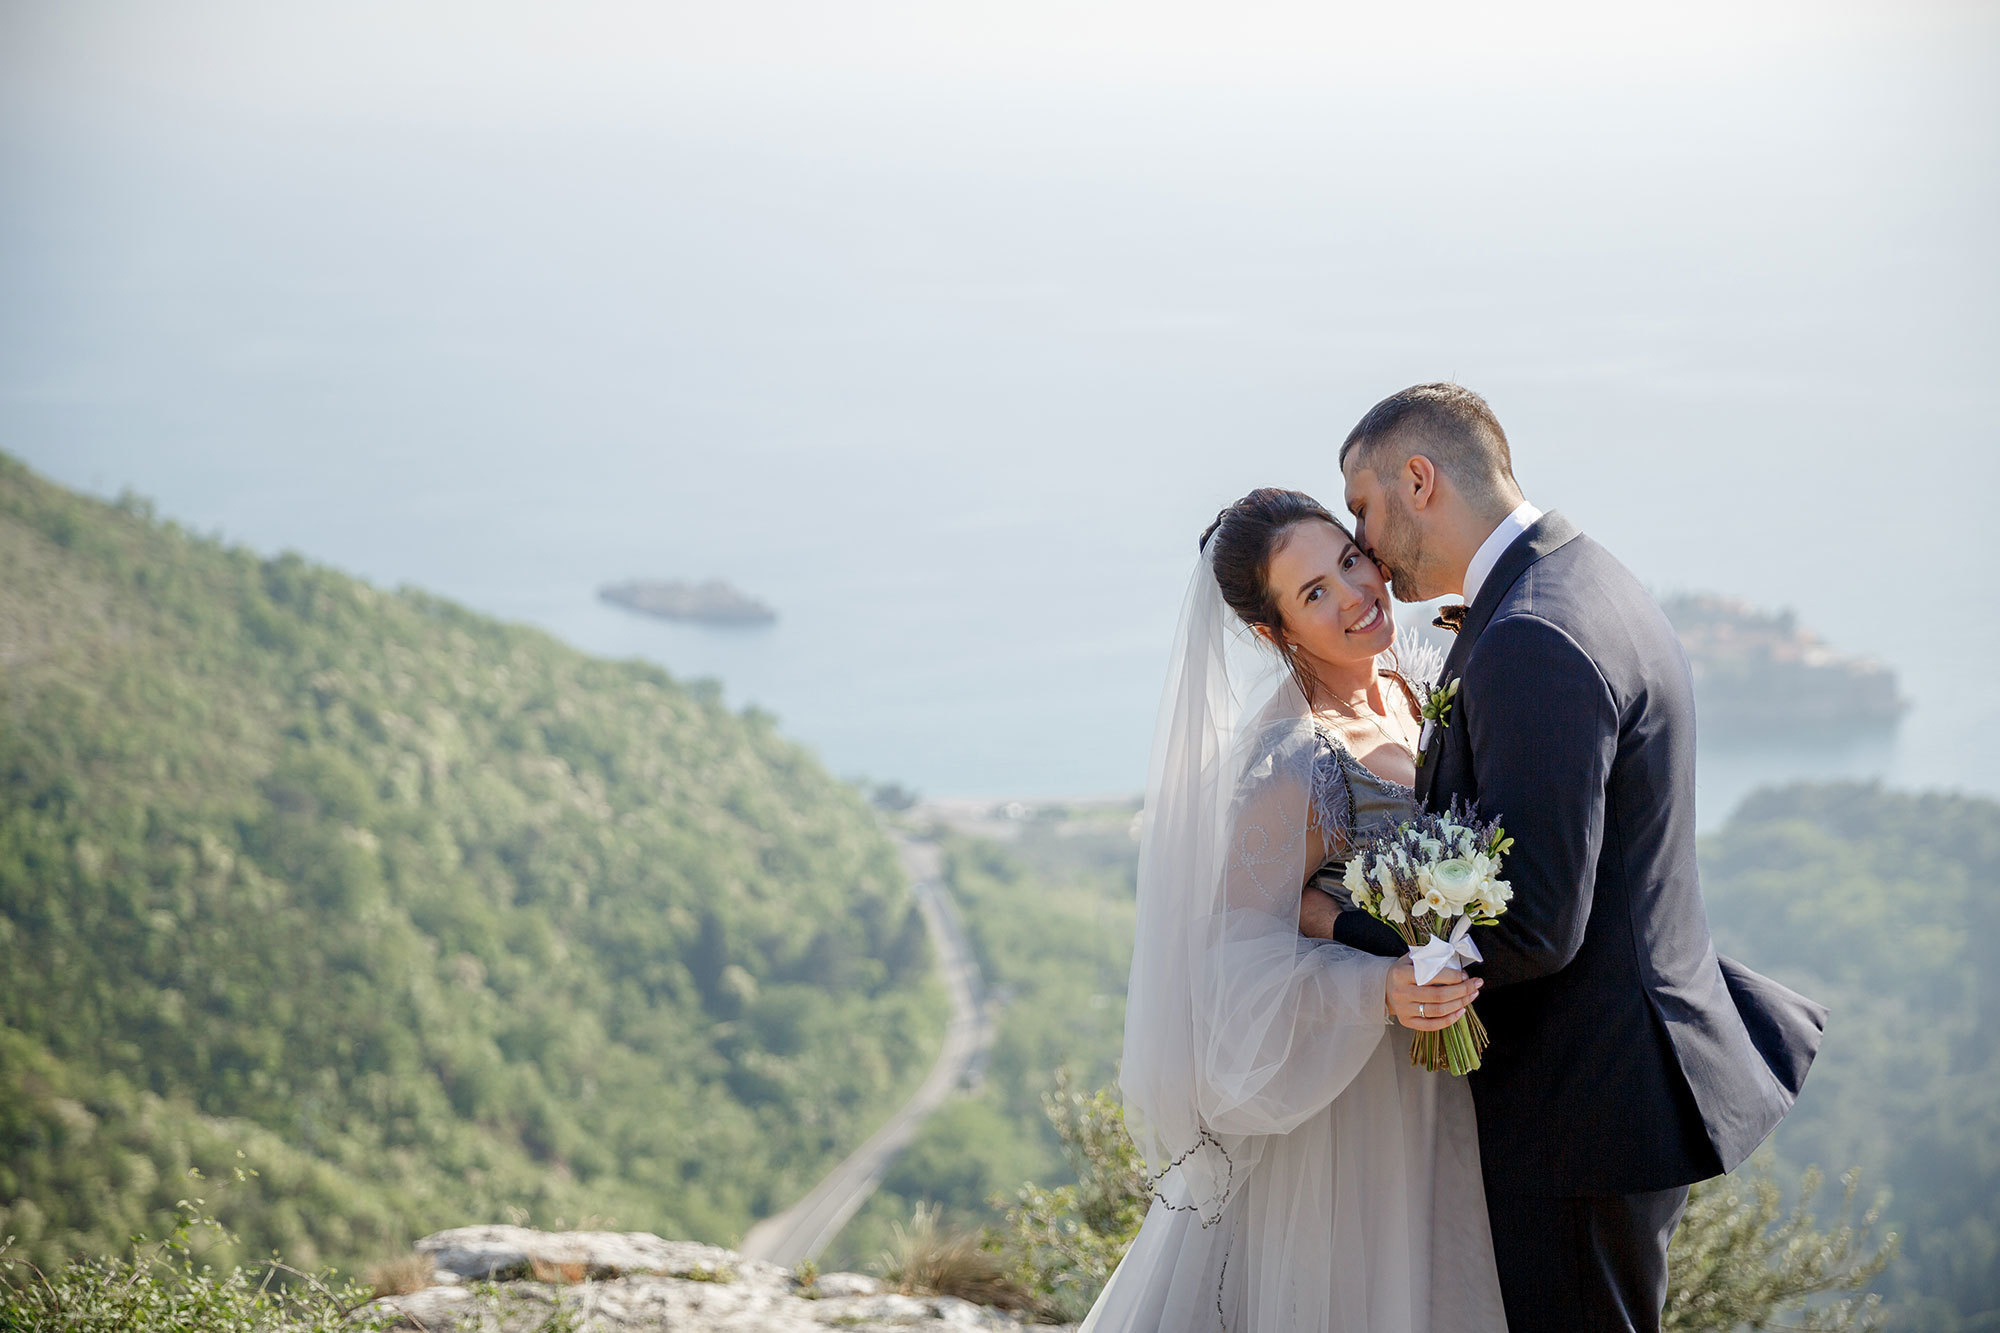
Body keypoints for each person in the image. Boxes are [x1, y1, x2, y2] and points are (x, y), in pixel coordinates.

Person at [1332, 383, 1827, 1333]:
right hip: (1614, 1083)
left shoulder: (1529, 635)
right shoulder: (1578, 573)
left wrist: (1335, 923)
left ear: (1420, 479)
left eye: (1363, 505)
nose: (1361, 542)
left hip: (1583, 1108)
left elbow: (1532, 922)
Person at [1082, 488, 1507, 1333]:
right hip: (1350, 1120)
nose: (1354, 594)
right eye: (1314, 592)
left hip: (1454, 1089)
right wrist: (1379, 984)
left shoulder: (1416, 683)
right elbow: (1231, 971)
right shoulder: (1290, 764)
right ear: (1274, 633)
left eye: (1349, 560)